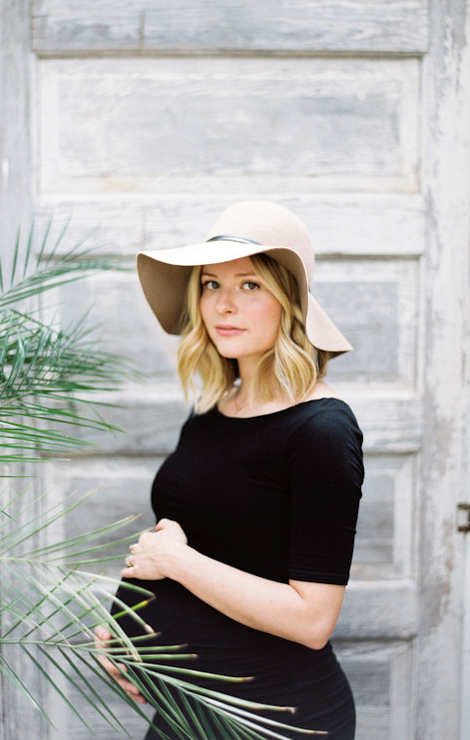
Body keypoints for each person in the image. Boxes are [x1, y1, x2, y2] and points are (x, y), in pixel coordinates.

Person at [96, 201, 364, 740]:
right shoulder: (214, 412)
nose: (223, 306)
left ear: (290, 302)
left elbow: (312, 621)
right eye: (211, 285)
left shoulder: (321, 432)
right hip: (186, 711)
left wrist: (176, 561)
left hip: (274, 718)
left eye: (249, 286)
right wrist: (124, 635)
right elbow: (206, 543)